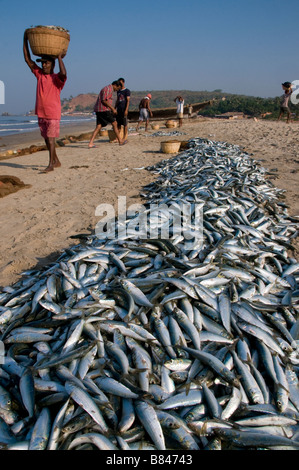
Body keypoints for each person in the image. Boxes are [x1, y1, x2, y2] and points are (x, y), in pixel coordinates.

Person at [23, 31, 67, 172]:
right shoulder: (39, 75)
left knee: (51, 138)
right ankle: (56, 160)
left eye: (46, 63)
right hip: (41, 112)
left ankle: (50, 165)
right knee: (46, 139)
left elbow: (64, 74)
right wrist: (25, 40)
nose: (43, 66)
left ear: (52, 64)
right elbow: (27, 59)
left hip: (53, 113)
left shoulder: (57, 79)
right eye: (42, 63)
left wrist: (60, 58)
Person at [88, 81, 127, 148]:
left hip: (99, 110)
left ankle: (91, 143)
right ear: (115, 85)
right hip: (103, 109)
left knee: (99, 126)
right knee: (114, 123)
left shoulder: (108, 88)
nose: (116, 90)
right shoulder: (108, 89)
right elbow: (104, 100)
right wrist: (112, 109)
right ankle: (120, 141)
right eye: (117, 88)